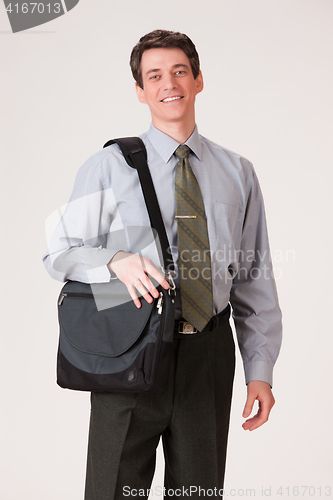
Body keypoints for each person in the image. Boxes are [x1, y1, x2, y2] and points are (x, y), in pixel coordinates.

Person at [43, 29, 282, 500]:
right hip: (130, 347)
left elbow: (254, 279)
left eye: (178, 71)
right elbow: (59, 254)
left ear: (197, 80)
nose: (168, 83)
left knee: (198, 493)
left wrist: (260, 369)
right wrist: (114, 261)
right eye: (154, 75)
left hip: (207, 357)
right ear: (140, 90)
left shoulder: (238, 171)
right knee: (113, 490)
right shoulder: (108, 166)